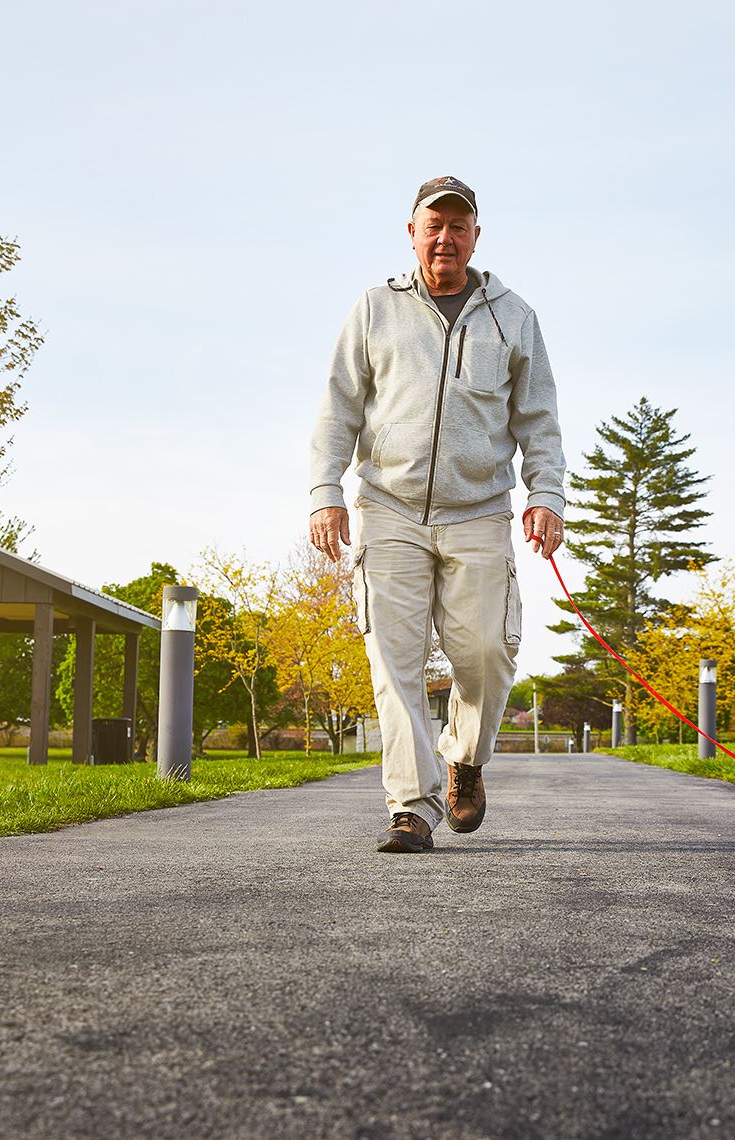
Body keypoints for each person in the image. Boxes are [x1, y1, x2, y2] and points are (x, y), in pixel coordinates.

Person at [308, 175, 566, 853]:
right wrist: (325, 494)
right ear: (412, 232)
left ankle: (465, 758)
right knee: (393, 662)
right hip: (388, 508)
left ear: (476, 235)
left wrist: (545, 497)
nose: (445, 238)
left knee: (485, 654)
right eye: (434, 225)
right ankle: (412, 807)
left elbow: (539, 422)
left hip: (479, 512)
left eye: (458, 226)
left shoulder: (515, 317)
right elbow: (337, 408)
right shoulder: (374, 309)